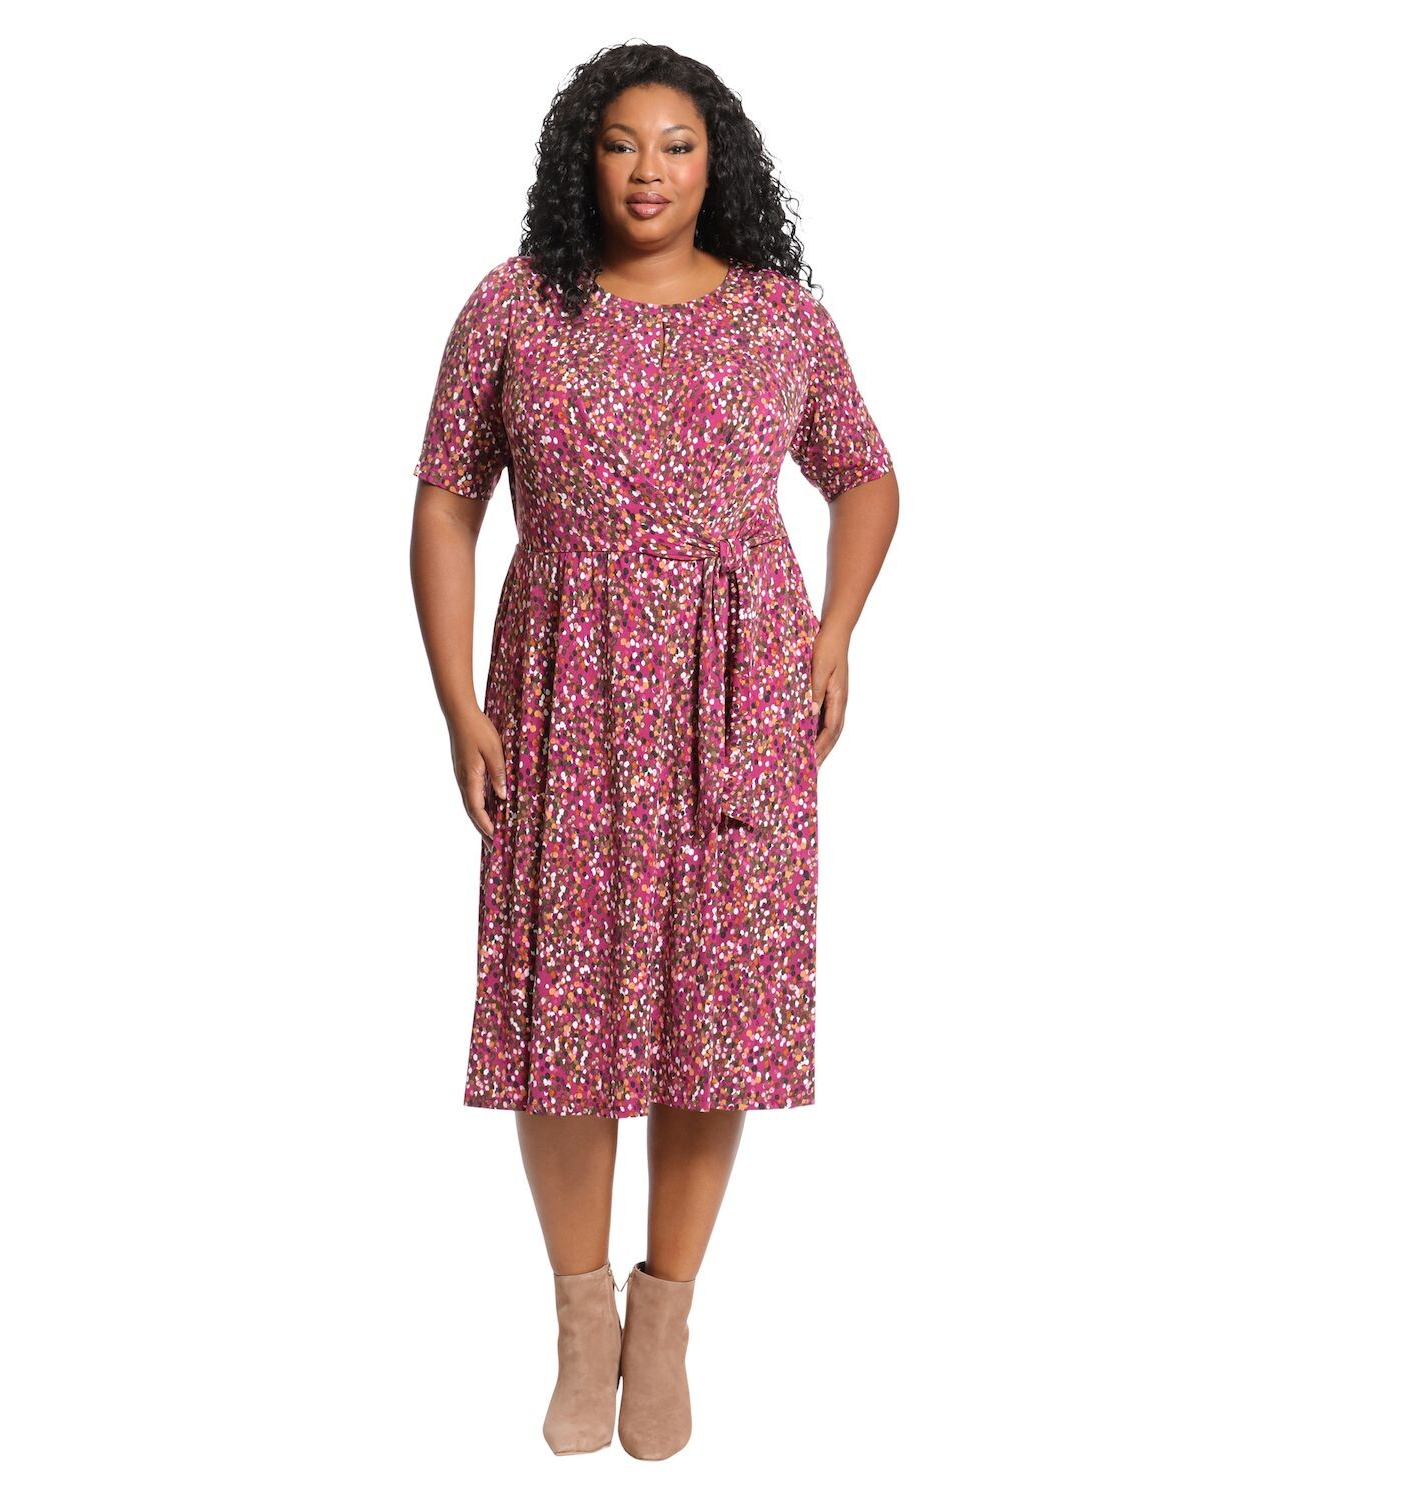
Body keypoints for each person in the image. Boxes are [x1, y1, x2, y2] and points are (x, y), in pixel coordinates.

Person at [411, 42, 898, 1459]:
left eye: (677, 145)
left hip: (739, 700)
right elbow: (445, 504)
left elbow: (867, 475)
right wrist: (457, 704)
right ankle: (581, 1326)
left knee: (713, 1012)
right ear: (583, 157)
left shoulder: (781, 318)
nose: (647, 171)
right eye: (621, 142)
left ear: (716, 163)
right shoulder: (514, 308)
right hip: (561, 694)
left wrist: (835, 633)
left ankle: (667, 1322)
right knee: (562, 1013)